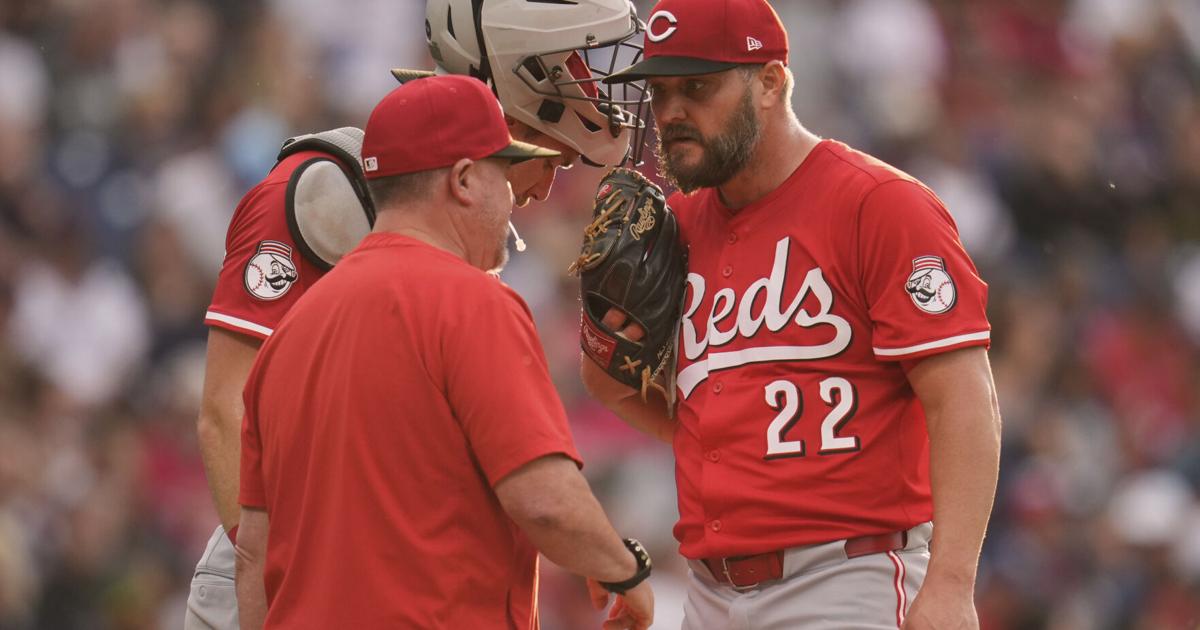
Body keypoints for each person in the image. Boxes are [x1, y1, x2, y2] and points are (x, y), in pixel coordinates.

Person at [184, 0, 647, 626]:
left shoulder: (443, 240)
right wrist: (299, 567)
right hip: (292, 569)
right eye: (549, 160)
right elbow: (223, 411)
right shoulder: (326, 192)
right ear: (465, 174)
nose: (541, 187)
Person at [585, 0, 1003, 628]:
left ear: (771, 81)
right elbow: (609, 385)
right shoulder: (676, 226)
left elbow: (963, 399)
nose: (672, 112)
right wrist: (732, 445)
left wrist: (949, 583)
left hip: (845, 577)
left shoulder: (880, 206)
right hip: (708, 591)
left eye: (698, 87)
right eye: (661, 90)